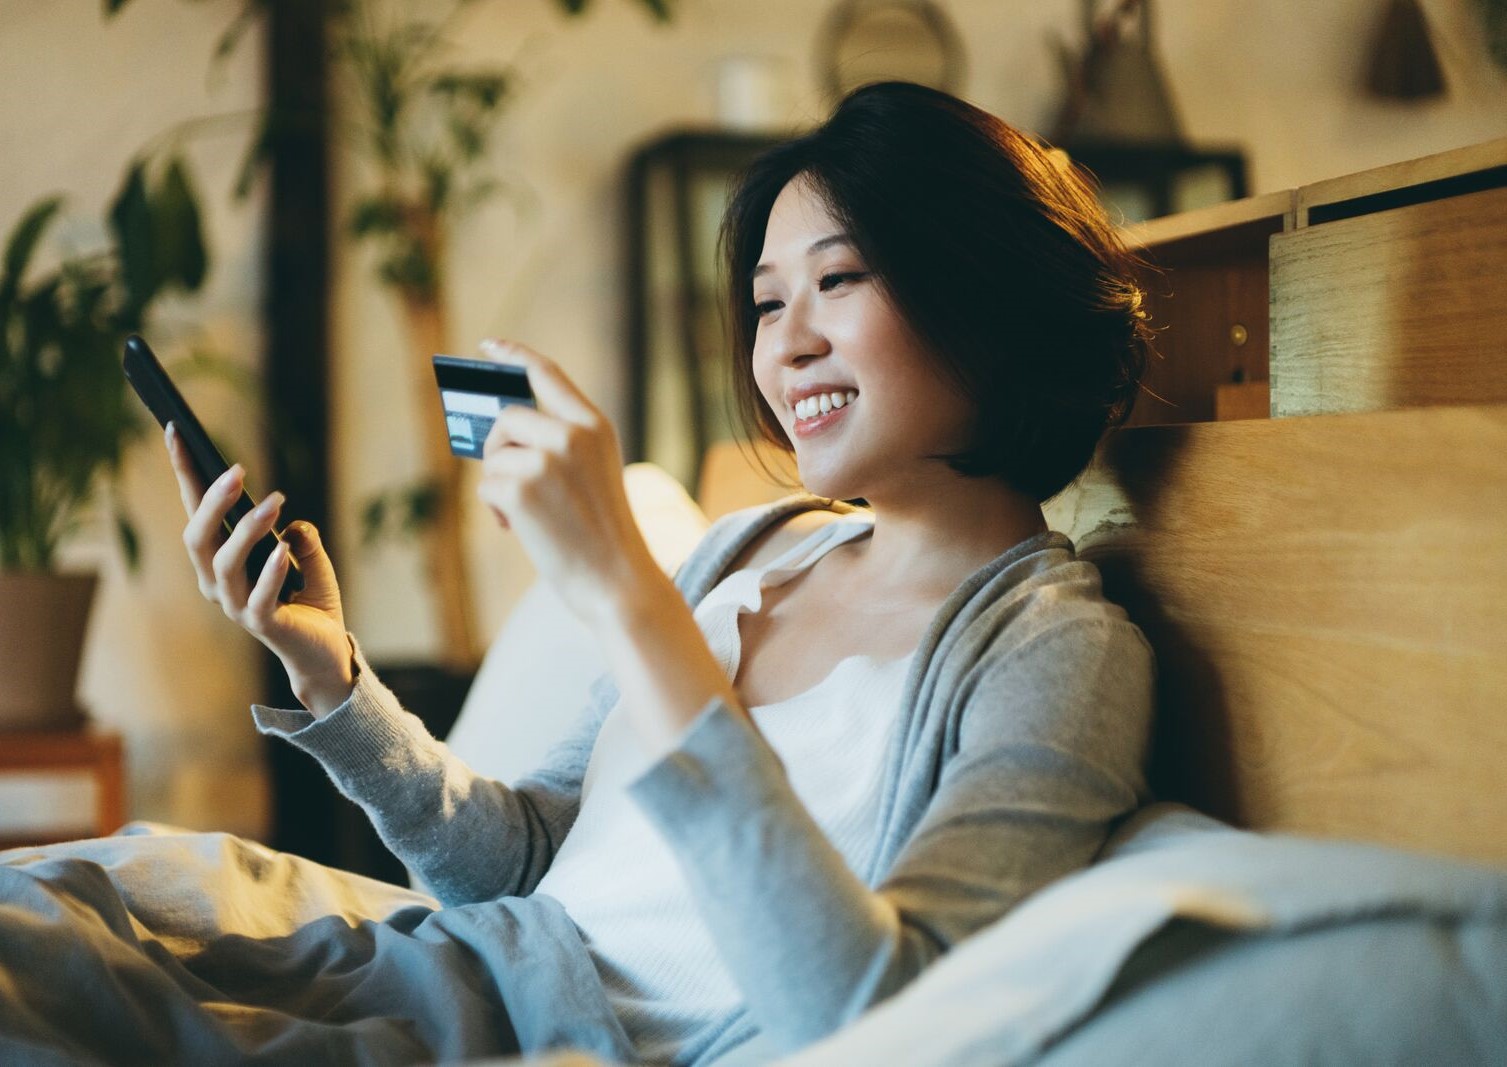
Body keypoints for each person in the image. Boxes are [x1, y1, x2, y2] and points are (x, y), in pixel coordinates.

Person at [0, 81, 1154, 1066]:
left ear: (985, 295)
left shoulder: (1057, 649)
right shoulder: (746, 552)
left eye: (837, 281)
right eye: (765, 302)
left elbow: (879, 1015)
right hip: (466, 961)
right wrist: (333, 676)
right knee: (59, 898)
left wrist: (625, 591)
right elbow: (521, 859)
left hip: (551, 1032)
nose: (784, 343)